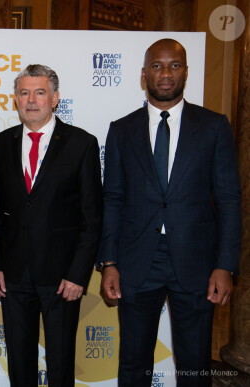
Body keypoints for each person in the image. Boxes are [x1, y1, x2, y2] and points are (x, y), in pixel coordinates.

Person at [97, 38, 241, 386]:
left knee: (194, 365)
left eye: (174, 65)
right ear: (143, 74)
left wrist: (225, 266)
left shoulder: (214, 126)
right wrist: (109, 262)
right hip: (136, 260)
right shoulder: (122, 130)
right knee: (134, 363)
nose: (165, 74)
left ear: (186, 72)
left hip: (196, 261)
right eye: (157, 66)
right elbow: (113, 199)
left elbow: (229, 200)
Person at [0, 64, 103, 386]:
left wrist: (78, 274)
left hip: (62, 279)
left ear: (55, 99)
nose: (32, 100)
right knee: (19, 366)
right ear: (16, 99)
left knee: (61, 363)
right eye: (24, 93)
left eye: (40, 92)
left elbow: (92, 217)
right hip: (13, 275)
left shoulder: (82, 144)